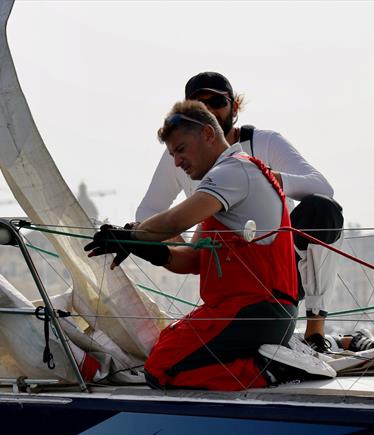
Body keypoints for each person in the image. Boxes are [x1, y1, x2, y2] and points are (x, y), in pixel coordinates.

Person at [86, 100, 302, 391]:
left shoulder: (233, 172)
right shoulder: (223, 189)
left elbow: (176, 220)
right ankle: (266, 365)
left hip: (256, 311)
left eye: (181, 149)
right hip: (250, 312)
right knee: (166, 349)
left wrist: (130, 234)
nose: (176, 162)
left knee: (162, 369)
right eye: (172, 154)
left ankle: (272, 371)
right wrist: (141, 247)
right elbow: (191, 260)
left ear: (208, 135)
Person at [136, 72, 350, 353]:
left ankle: (315, 333)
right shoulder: (181, 154)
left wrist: (263, 178)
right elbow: (148, 211)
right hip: (227, 265)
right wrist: (185, 251)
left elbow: (323, 187)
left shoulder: (261, 147)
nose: (210, 110)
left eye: (216, 102)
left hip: (275, 264)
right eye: (200, 105)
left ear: (234, 107)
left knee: (324, 210)